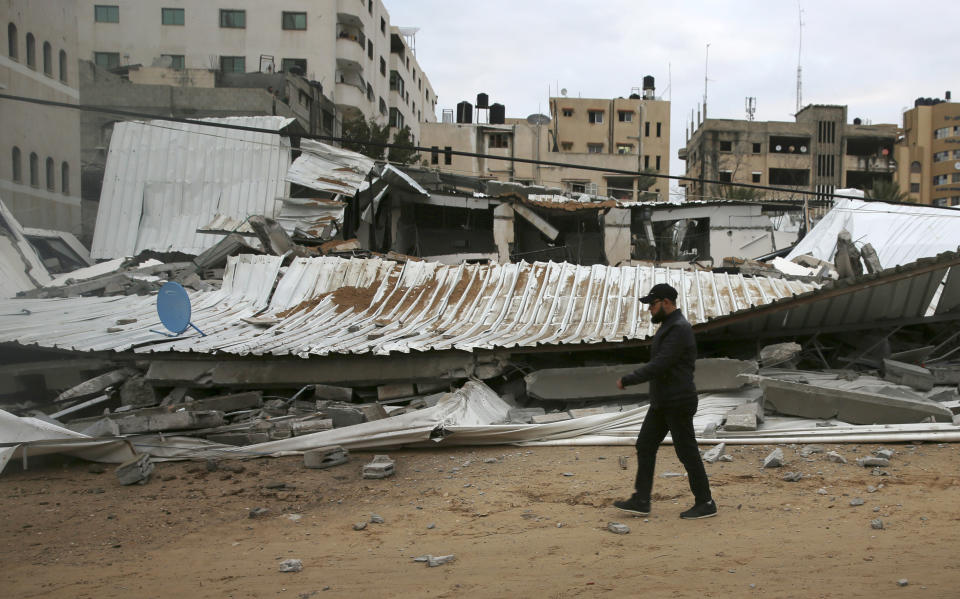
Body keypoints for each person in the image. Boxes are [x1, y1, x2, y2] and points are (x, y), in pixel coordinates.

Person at [613, 283, 717, 520]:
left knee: (686, 452)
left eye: (652, 304)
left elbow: (661, 363)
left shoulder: (679, 329)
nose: (649, 309)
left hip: (678, 401)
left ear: (666, 303)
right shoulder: (669, 327)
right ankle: (641, 500)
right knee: (645, 445)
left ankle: (706, 502)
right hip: (663, 402)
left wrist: (629, 379)